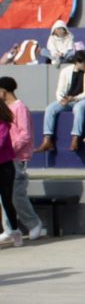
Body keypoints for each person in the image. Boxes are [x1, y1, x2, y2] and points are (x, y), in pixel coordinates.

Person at [0, 76, 43, 243]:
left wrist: (11, 149)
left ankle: (33, 223)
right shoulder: (4, 108)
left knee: (17, 196)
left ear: (4, 91)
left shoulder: (20, 108)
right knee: (4, 197)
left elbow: (25, 135)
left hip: (17, 158)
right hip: (6, 158)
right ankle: (10, 228)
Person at [35, 51, 85, 153]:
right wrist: (62, 100)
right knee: (50, 108)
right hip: (68, 100)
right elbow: (60, 90)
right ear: (77, 62)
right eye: (84, 63)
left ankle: (75, 138)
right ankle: (47, 140)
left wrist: (73, 98)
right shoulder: (65, 71)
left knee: (79, 108)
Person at [0, 98, 25, 247]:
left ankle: (15, 231)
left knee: (6, 200)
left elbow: (1, 142)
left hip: (4, 167)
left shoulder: (3, 125)